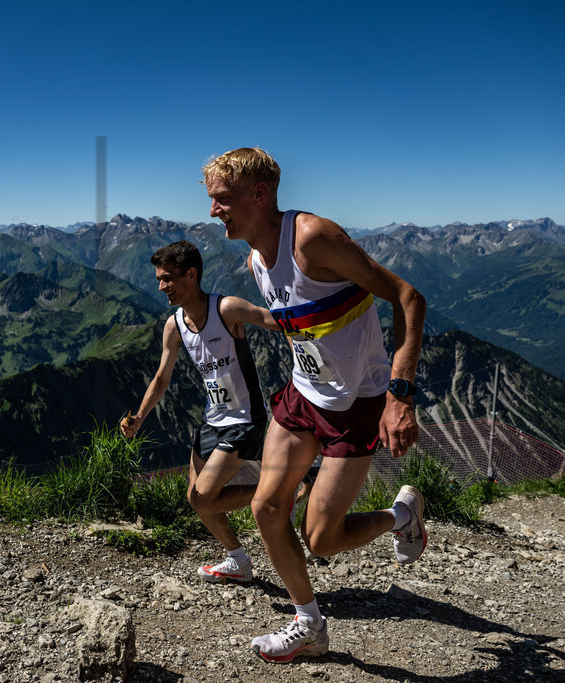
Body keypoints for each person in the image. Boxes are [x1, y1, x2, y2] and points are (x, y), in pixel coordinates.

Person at [202, 148, 428, 663]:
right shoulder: (256, 257)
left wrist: (399, 394)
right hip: (303, 396)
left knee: (322, 539)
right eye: (212, 199)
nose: (214, 210)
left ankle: (401, 515)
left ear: (259, 195)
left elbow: (408, 296)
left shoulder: (311, 238)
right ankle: (310, 625)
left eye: (223, 199)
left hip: (359, 402)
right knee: (265, 506)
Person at [121, 240, 281, 583]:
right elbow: (162, 378)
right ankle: (238, 560)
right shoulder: (174, 325)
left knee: (205, 497)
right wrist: (139, 418)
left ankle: (280, 490)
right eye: (159, 279)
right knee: (196, 501)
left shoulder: (227, 309)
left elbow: (274, 321)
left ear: (191, 275)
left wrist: (325, 325)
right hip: (213, 420)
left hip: (244, 419)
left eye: (167, 279)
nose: (161, 286)